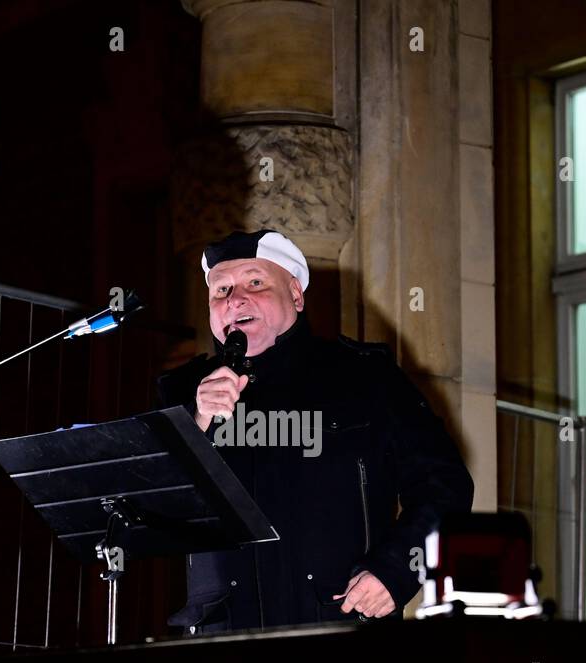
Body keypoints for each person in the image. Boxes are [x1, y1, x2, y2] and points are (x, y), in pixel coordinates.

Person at [157, 229, 474, 634]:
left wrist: (396, 571)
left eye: (256, 282)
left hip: (336, 624)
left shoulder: (364, 376)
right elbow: (155, 509)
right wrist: (196, 420)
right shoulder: (182, 394)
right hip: (224, 637)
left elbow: (443, 485)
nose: (235, 299)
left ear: (296, 294)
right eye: (221, 291)